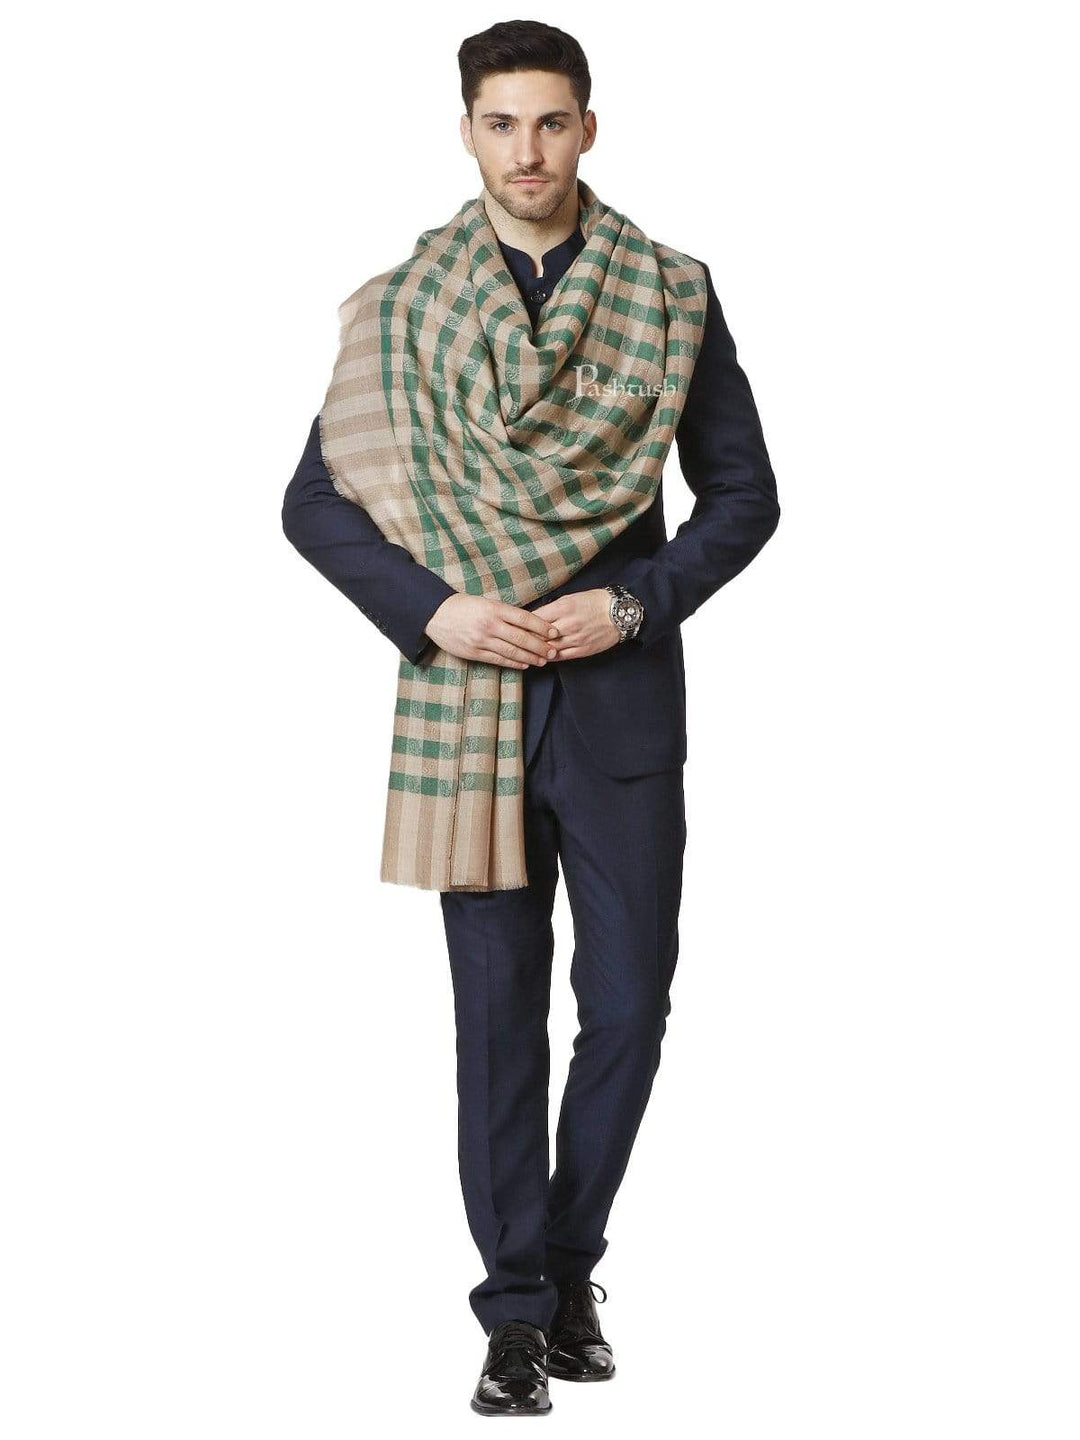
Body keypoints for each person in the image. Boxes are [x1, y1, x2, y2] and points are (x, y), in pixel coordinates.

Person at [282, 19, 779, 1417]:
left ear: (588, 129)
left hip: (618, 708)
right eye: (501, 124)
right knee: (496, 1021)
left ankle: (567, 1268)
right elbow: (314, 500)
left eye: (552, 122)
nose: (528, 151)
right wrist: (434, 609)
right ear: (467, 133)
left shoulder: (669, 292)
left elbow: (745, 496)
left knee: (627, 1008)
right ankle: (513, 1316)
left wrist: (635, 603)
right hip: (470, 698)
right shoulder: (406, 309)